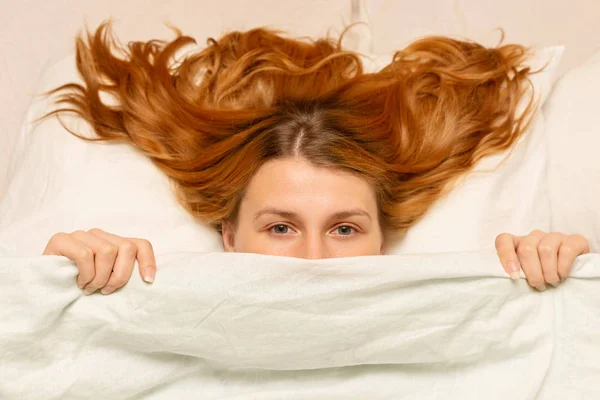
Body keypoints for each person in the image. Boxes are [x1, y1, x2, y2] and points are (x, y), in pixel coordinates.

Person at [41, 21, 589, 296]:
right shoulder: (155, 292)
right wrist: (55, 279)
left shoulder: (459, 298)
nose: (312, 260)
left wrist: (556, 270)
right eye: (280, 227)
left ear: (382, 243)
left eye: (345, 230)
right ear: (228, 236)